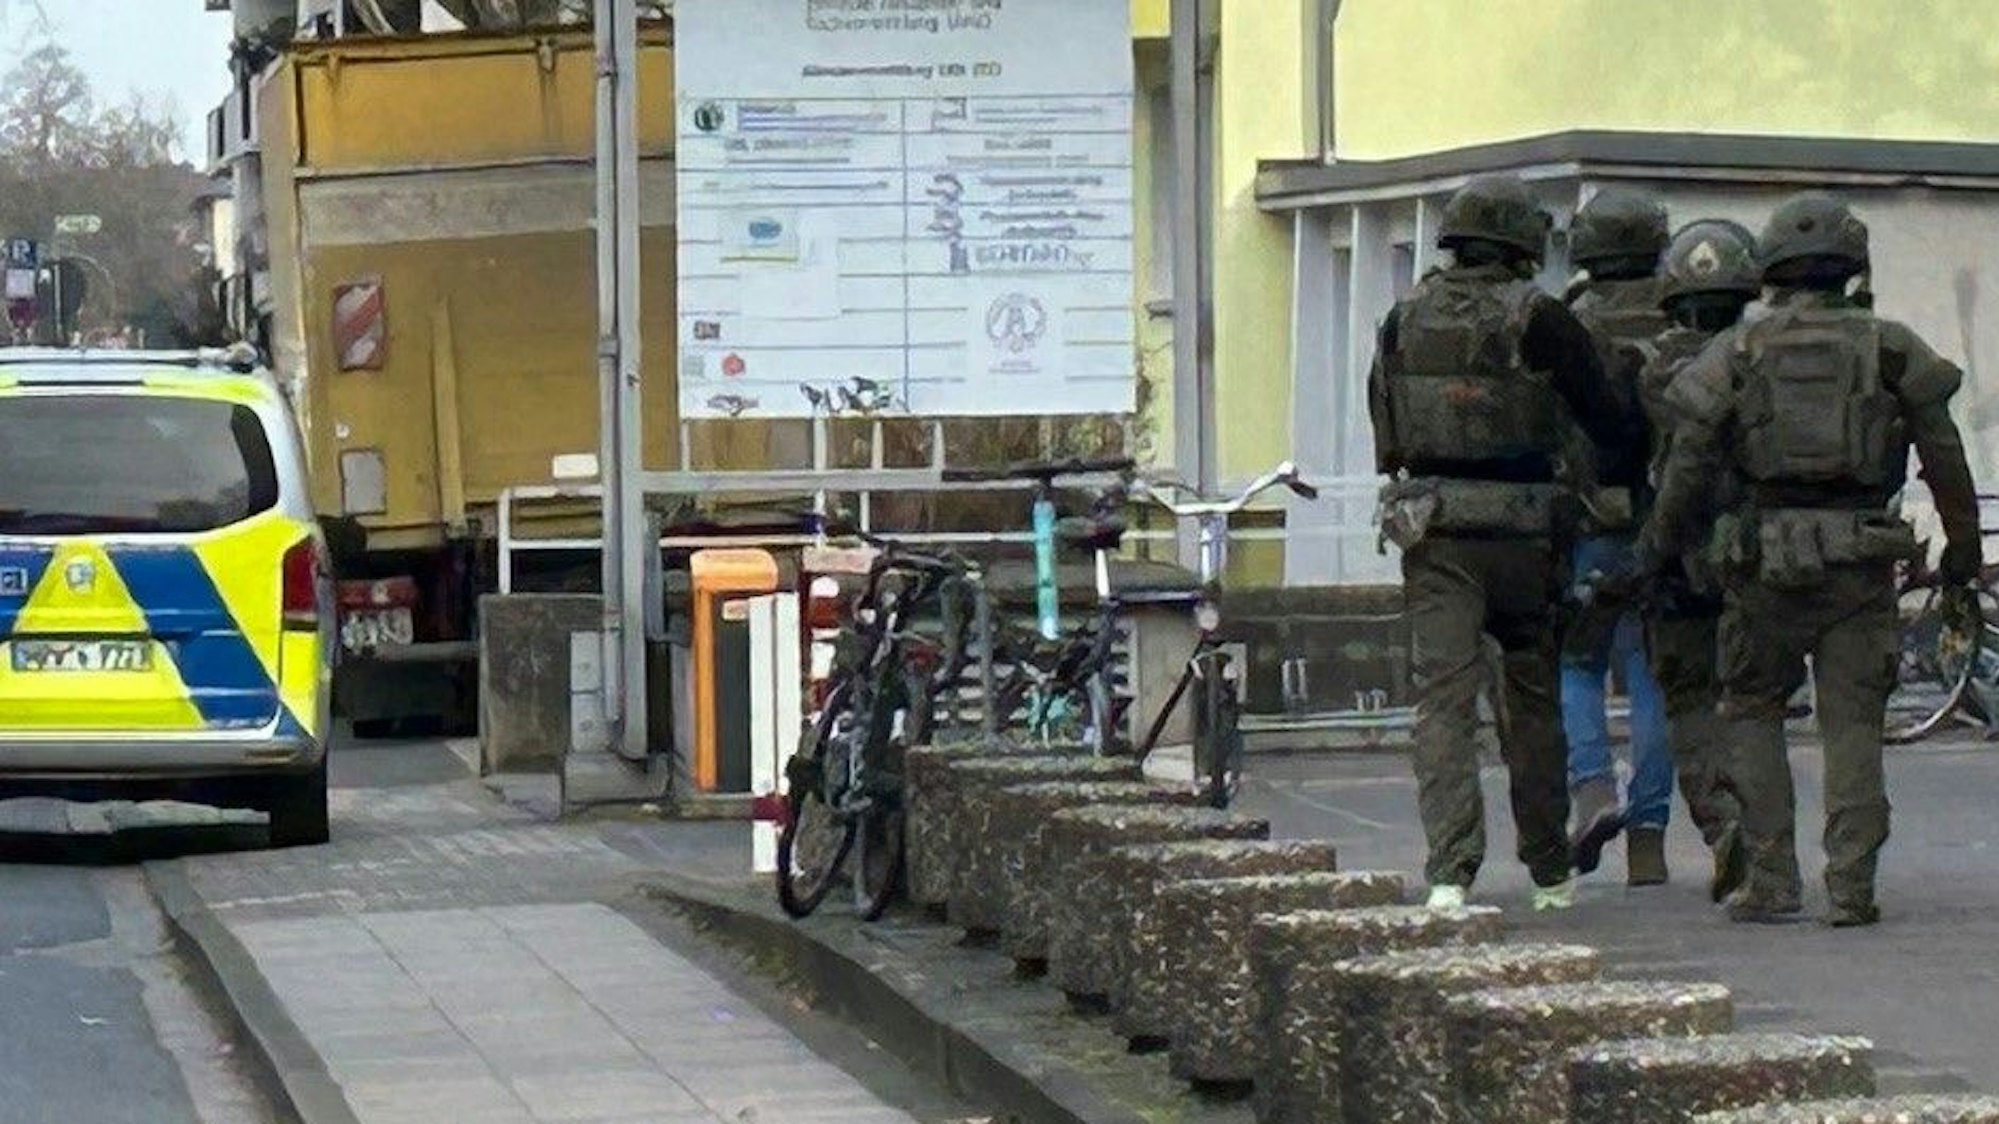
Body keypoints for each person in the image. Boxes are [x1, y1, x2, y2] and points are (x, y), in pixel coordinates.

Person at [1638, 191, 1983, 927]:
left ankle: (1770, 880)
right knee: (1851, 723)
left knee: (1751, 710)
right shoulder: (1888, 344)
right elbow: (1942, 454)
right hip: (1858, 560)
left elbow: (1689, 458)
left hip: (1761, 561)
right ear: (1852, 265)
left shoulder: (1735, 350)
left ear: (1770, 270)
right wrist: (1960, 550)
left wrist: (1660, 547)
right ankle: (1851, 887)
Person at [1370, 173, 1642, 912]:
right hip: (1526, 532)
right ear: (1524, 244)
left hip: (1435, 531)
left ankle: (1448, 873)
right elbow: (1609, 420)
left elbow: (1386, 428)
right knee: (1530, 703)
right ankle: (1549, 869)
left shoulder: (1401, 319)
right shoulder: (1541, 317)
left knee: (1443, 706)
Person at [1631, 219, 1758, 902]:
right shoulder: (1764, 353)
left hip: (1677, 555)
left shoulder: (1648, 367)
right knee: (1754, 701)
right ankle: (1765, 841)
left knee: (1689, 702)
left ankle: (1722, 824)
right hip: (1758, 551)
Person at [1560, 188, 1676, 884]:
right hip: (1663, 518)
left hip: (1587, 518)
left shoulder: (1566, 324)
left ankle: (1592, 786)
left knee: (1575, 662)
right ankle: (1650, 835)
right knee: (1649, 675)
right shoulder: (1683, 317)